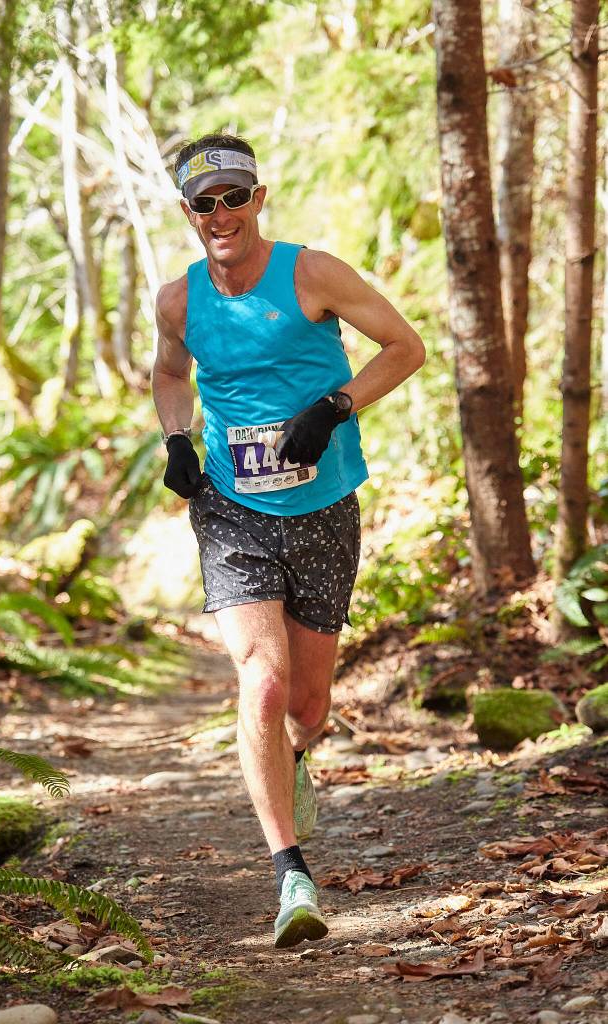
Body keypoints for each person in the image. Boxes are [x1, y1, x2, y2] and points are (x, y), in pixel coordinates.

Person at [153, 132, 425, 949]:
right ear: (189, 213)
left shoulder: (311, 273)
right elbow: (170, 373)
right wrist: (177, 440)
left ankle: (295, 757)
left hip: (323, 507)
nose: (222, 214)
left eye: (234, 196)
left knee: (306, 706)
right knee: (261, 680)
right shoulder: (177, 299)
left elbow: (405, 347)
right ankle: (289, 873)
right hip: (231, 509)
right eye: (205, 203)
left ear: (257, 198)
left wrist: (335, 407)